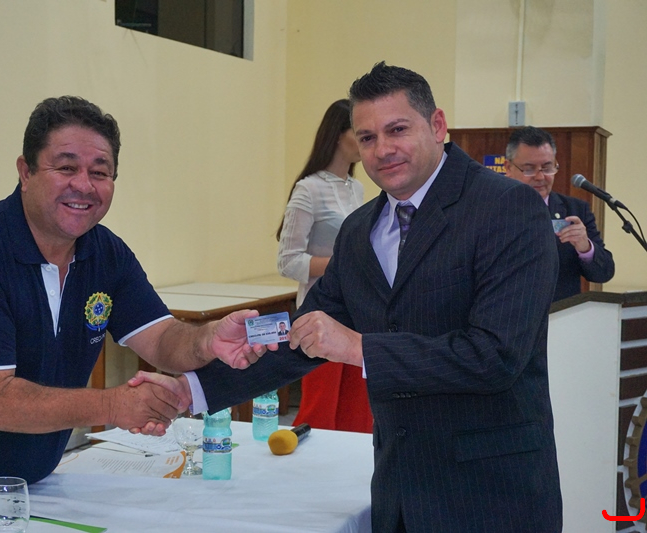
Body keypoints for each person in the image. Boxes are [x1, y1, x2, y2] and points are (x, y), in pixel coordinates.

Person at [136, 61, 563, 532]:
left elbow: (495, 356)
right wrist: (192, 389)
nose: (383, 149)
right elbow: (304, 333)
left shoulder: (508, 207)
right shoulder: (360, 230)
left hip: (491, 493)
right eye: (367, 137)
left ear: (437, 125)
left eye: (397, 130)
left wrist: (358, 347)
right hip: (398, 490)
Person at [0, 96, 269, 529]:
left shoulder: (105, 253)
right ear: (25, 172)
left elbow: (161, 338)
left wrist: (207, 338)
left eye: (100, 172)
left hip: (30, 488)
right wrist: (115, 405)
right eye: (66, 167)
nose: (84, 185)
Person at [276, 99, 372, 433]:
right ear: (337, 134)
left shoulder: (357, 188)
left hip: (358, 312)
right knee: (320, 412)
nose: (366, 141)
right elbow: (288, 261)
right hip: (321, 314)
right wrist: (344, 264)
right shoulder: (309, 188)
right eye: (359, 132)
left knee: (358, 413)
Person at [504, 126, 615, 301]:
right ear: (508, 168)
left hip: (561, 313)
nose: (540, 177)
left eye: (547, 168)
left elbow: (604, 273)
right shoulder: (490, 210)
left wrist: (585, 247)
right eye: (529, 169)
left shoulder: (575, 210)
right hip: (508, 313)